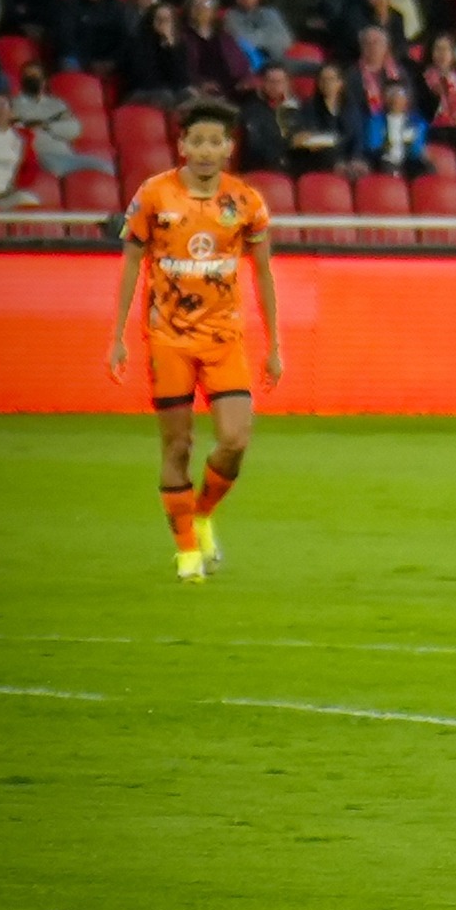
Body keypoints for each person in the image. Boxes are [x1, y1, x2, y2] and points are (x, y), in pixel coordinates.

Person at [107, 98, 283, 582]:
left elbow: (263, 274)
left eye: (215, 141)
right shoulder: (154, 196)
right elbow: (130, 265)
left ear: (229, 147)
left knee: (234, 440)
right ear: (181, 145)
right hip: (168, 340)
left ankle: (201, 512)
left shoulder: (245, 202)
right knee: (178, 445)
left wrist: (274, 345)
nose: (206, 150)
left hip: (225, 339)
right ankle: (187, 551)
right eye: (196, 141)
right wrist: (118, 336)